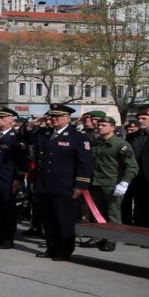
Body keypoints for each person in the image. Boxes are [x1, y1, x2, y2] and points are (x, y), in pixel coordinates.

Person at [33, 104, 92, 261]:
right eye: (52, 116)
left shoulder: (77, 137)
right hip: (45, 184)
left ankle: (64, 250)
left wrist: (81, 185)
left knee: (64, 220)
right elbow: (28, 137)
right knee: (48, 220)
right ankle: (51, 247)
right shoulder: (45, 134)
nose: (54, 119)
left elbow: (84, 164)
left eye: (58, 116)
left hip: (64, 185)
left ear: (68, 118)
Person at [83, 112, 138, 252]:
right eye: (99, 125)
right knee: (96, 213)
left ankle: (111, 239)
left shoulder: (120, 144)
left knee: (113, 213)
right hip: (96, 182)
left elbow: (132, 166)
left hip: (112, 183)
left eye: (103, 125)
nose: (99, 127)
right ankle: (97, 237)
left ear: (112, 128)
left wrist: (124, 182)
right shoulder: (96, 143)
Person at [0, 108, 25, 250]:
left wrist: (18, 179)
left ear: (11, 120)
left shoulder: (16, 138)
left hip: (7, 178)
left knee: (7, 210)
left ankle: (8, 238)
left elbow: (22, 162)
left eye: (2, 118)